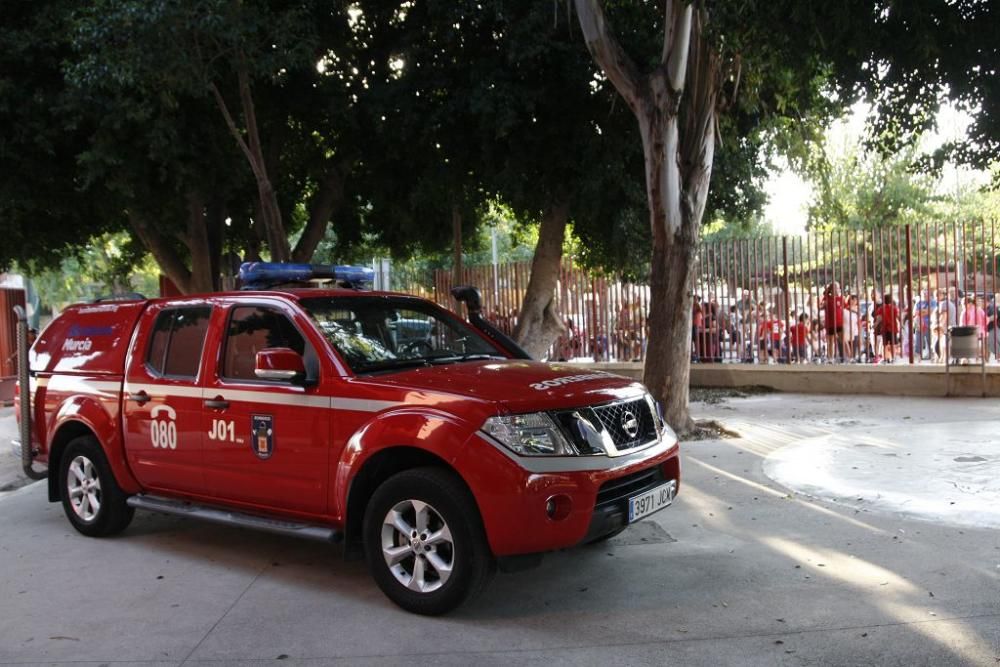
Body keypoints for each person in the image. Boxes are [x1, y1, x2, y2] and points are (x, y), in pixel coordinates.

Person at [821, 282, 846, 362]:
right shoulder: (826, 298)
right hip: (830, 323)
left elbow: (844, 308)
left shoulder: (840, 298)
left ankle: (846, 356)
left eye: (838, 288)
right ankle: (830, 358)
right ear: (832, 289)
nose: (838, 289)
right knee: (830, 341)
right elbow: (821, 306)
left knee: (843, 340)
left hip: (839, 322)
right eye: (836, 288)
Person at [914, 289, 936, 360]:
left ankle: (931, 355)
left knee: (930, 340)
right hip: (919, 324)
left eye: (926, 294)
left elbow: (932, 311)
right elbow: (915, 313)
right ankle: (918, 356)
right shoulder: (918, 303)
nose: (925, 295)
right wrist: (925, 311)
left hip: (929, 324)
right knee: (918, 341)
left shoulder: (932, 302)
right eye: (923, 294)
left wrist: (921, 312)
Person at [880, 293, 900, 363]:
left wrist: (875, 324)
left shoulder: (882, 308)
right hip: (893, 328)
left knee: (885, 345)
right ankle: (893, 358)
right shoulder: (894, 308)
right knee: (893, 344)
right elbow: (897, 317)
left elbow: (879, 318)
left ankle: (886, 358)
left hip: (885, 328)